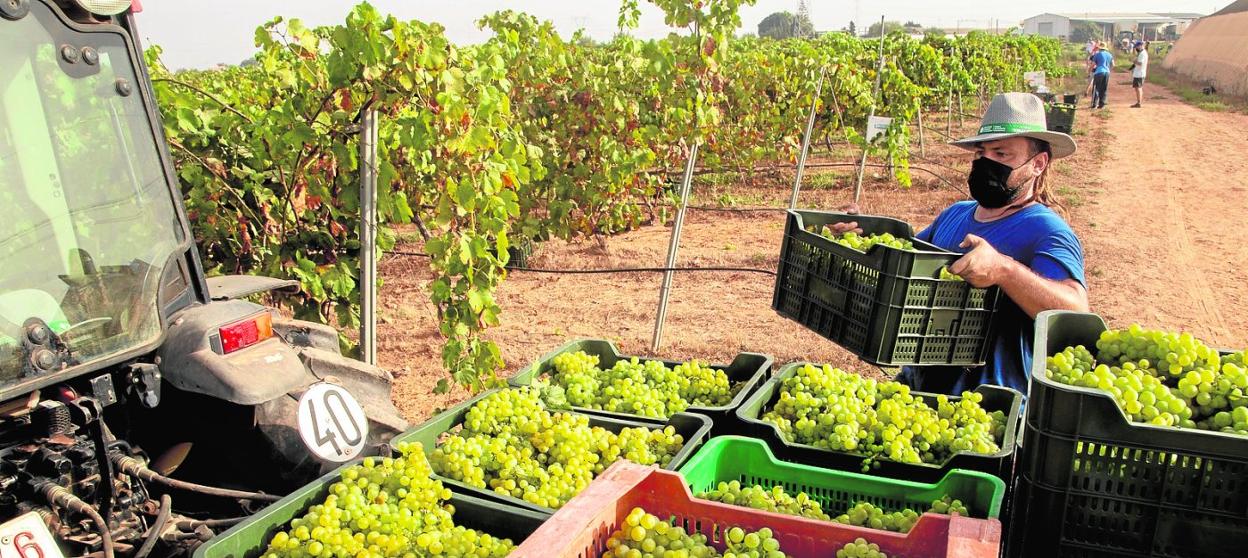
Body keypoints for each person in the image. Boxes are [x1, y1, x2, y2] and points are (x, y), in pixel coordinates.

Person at [833, 93, 1088, 396]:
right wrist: (862, 237)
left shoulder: (1046, 230)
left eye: (1002, 154)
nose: (986, 163)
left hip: (987, 405)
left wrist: (1004, 270)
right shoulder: (955, 214)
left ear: (1038, 164)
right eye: (982, 153)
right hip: (919, 389)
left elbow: (1075, 312)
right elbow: (904, 264)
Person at [1090, 41, 1113, 109]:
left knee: (1096, 88)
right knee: (1104, 88)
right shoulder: (1109, 55)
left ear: (1100, 48)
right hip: (1107, 72)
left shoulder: (1097, 54)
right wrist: (1108, 69)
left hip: (1099, 72)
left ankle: (1094, 104)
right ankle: (1102, 104)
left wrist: (1089, 70)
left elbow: (1093, 64)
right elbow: (1113, 64)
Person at [1129, 40, 1149, 108]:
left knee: (1138, 88)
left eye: (1137, 46)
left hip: (1140, 73)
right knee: (1137, 88)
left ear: (1140, 46)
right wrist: (1131, 68)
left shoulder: (1143, 53)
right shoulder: (1141, 53)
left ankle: (1139, 102)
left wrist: (1133, 61)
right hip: (1138, 73)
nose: (1136, 48)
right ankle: (1138, 102)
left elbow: (1140, 63)